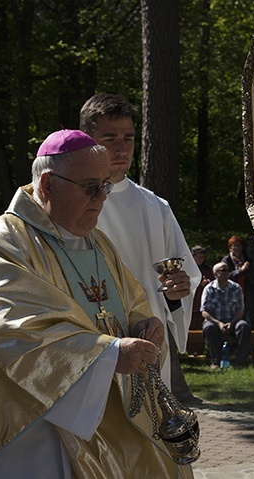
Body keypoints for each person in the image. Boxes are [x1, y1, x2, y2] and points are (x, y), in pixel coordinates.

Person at [0, 130, 192, 478]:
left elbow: (130, 300)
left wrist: (143, 323)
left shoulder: (97, 242)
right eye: (90, 187)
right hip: (29, 424)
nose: (101, 199)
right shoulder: (0, 243)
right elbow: (12, 332)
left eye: (105, 186)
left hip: (106, 408)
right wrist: (110, 353)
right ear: (49, 185)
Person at [80, 93, 201, 404]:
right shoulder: (70, 204)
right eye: (110, 139)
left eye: (129, 138)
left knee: (149, 437)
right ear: (87, 139)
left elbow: (184, 278)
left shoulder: (155, 207)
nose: (121, 149)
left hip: (149, 341)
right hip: (91, 345)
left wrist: (177, 293)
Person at [201, 262, 249, 368]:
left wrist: (231, 323)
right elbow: (204, 312)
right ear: (215, 274)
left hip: (233, 321)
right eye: (223, 270)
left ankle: (240, 361)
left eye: (228, 270)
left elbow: (240, 310)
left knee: (243, 326)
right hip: (214, 322)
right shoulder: (209, 289)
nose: (226, 273)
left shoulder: (236, 288)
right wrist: (218, 323)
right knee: (208, 327)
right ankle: (215, 361)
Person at [190, 245, 214, 330]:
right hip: (191, 304)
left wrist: (208, 283)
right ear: (193, 256)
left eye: (203, 257)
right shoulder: (188, 268)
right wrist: (199, 284)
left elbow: (213, 282)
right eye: (199, 257)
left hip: (203, 305)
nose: (201, 259)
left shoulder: (207, 269)